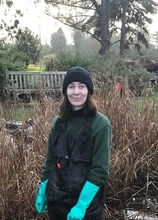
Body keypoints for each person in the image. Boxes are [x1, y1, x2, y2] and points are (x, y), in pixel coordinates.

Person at [35, 66, 112, 220]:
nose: (76, 92)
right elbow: (50, 161)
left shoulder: (101, 124)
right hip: (57, 201)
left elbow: (100, 170)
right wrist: (43, 189)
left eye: (81, 86)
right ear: (65, 91)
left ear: (88, 91)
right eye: (71, 87)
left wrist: (81, 205)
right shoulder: (58, 123)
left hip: (87, 206)